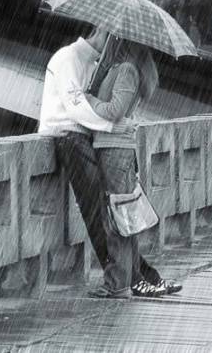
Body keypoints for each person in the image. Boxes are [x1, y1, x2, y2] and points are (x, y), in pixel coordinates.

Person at [38, 28, 171, 298]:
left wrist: (110, 123)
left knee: (110, 213)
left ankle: (134, 278)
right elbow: (75, 106)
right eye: (116, 35)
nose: (118, 41)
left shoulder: (107, 65)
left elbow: (106, 107)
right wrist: (113, 125)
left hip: (89, 139)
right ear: (105, 32)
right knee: (102, 213)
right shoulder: (68, 58)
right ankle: (134, 279)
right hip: (69, 136)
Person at [85, 36, 183, 297]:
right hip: (113, 147)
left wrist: (87, 101)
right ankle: (129, 280)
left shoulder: (127, 70)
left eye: (113, 38)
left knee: (118, 217)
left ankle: (118, 283)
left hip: (115, 149)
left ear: (123, 43)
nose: (108, 41)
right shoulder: (120, 68)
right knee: (122, 215)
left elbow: (115, 110)